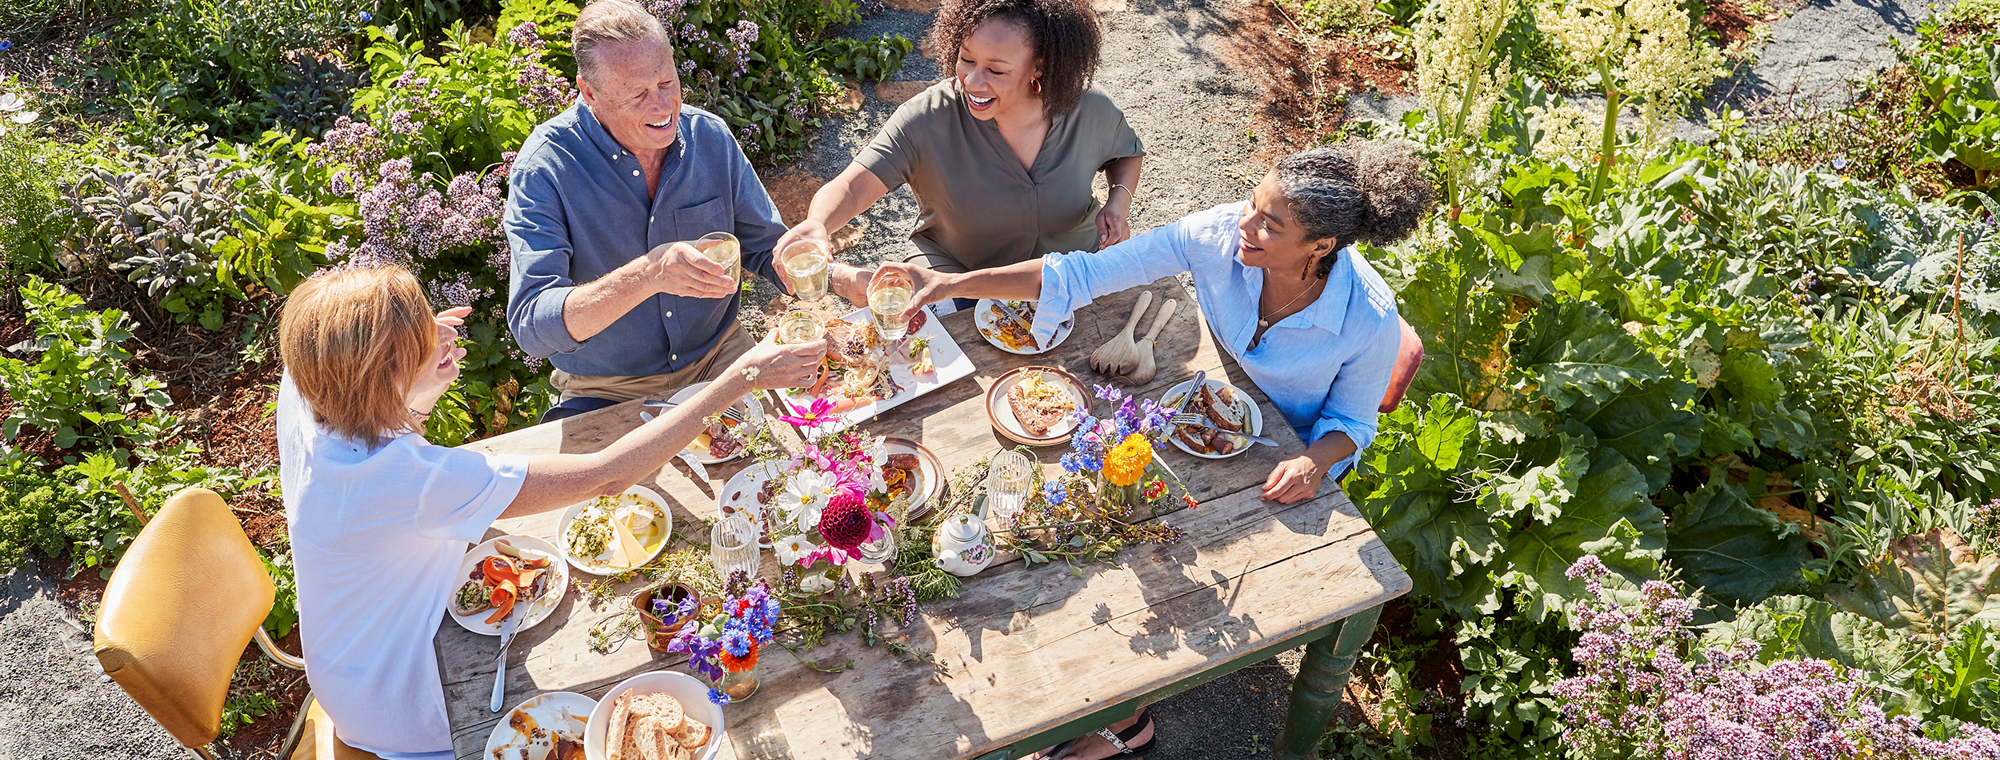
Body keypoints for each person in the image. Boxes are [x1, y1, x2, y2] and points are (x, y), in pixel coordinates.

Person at [881, 142, 1432, 759]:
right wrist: (949, 283)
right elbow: (1078, 275)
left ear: (1320, 247)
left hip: (1279, 460)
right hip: (1192, 404)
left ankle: (1125, 719)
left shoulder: (1368, 318)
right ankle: (1088, 699)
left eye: (1269, 225)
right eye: (1252, 204)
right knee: (1088, 526)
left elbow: (1352, 423)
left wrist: (1314, 461)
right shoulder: (1218, 234)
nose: (1242, 226)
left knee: (1160, 574)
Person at [276, 264, 826, 759]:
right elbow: (607, 475)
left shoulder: (308, 383)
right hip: (406, 695)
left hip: (348, 658)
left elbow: (378, 408)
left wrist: (413, 369)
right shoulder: (410, 480)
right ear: (384, 376)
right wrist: (741, 377)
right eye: (423, 338)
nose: (441, 335)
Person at [505, 0, 868, 421]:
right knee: (611, 489)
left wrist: (841, 279)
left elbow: (765, 246)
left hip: (722, 358)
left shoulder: (709, 137)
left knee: (816, 448)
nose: (662, 107)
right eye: (637, 94)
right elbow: (533, 325)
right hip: (608, 388)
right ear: (589, 92)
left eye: (667, 82)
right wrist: (648, 274)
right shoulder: (545, 169)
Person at [776, 0, 1146, 291]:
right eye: (966, 58)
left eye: (996, 71)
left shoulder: (1088, 108)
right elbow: (853, 185)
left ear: (1039, 67)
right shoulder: (926, 117)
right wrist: (818, 224)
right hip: (951, 283)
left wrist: (1119, 200)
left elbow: (1126, 153)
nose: (972, 80)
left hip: (1072, 274)